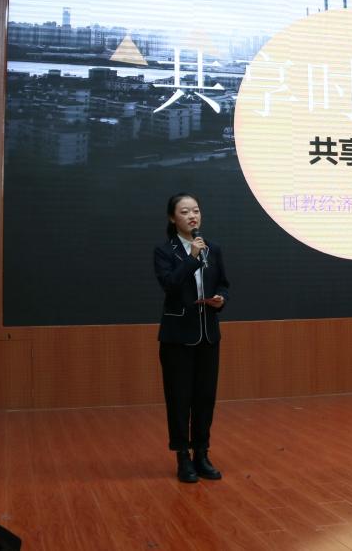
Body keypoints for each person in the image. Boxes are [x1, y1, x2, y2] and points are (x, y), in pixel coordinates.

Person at [153, 192, 230, 483]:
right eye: (185, 212)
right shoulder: (164, 251)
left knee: (204, 398)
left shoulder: (214, 249)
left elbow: (223, 283)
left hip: (208, 334)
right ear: (173, 218)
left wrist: (221, 298)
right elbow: (170, 285)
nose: (192, 216)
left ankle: (202, 453)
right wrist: (192, 258)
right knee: (179, 399)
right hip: (177, 337)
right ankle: (182, 457)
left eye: (196, 210)